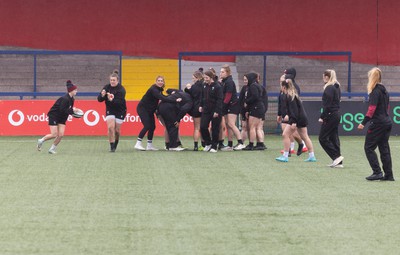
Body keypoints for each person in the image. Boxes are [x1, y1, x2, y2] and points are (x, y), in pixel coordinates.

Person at [357, 67, 394, 181]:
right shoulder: (385, 91)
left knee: (368, 147)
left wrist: (363, 123)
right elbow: (387, 108)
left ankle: (377, 172)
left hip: (378, 123)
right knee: (384, 148)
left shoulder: (375, 91)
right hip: (387, 122)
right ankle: (389, 175)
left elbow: (371, 109)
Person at [135, 76, 181, 151]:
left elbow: (163, 96)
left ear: (163, 82)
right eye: (158, 80)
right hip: (143, 109)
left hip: (150, 110)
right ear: (156, 82)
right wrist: (175, 100)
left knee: (152, 127)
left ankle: (149, 145)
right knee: (147, 126)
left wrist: (171, 95)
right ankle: (138, 143)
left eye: (161, 81)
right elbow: (162, 98)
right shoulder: (154, 89)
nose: (160, 82)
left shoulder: (159, 89)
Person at [276, 79, 316, 162]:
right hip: (301, 118)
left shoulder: (289, 96)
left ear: (283, 87)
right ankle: (312, 156)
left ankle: (285, 156)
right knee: (305, 137)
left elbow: (294, 110)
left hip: (296, 119)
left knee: (285, 135)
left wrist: (293, 122)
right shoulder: (293, 94)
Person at [36, 80, 78, 154]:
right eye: (75, 90)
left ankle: (51, 149)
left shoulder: (72, 99)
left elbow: (68, 110)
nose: (76, 91)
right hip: (54, 115)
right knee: (54, 134)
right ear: (71, 91)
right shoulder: (65, 98)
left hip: (62, 118)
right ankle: (41, 140)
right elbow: (63, 110)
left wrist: (74, 112)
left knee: (61, 135)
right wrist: (72, 110)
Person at [278, 68, 307, 156]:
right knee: (287, 132)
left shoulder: (293, 88)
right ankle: (292, 148)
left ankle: (295, 147)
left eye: (285, 75)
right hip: (287, 114)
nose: (283, 77)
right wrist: (279, 114)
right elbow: (281, 102)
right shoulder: (283, 89)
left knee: (291, 132)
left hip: (291, 115)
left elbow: (293, 104)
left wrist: (288, 114)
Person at [318, 69, 343, 167]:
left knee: (322, 138)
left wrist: (322, 116)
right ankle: (338, 162)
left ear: (327, 77)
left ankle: (336, 157)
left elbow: (327, 105)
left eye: (324, 76)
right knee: (334, 138)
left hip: (330, 115)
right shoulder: (337, 87)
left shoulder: (329, 88)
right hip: (336, 114)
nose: (323, 79)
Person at [97, 70, 127, 152]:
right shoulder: (106, 87)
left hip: (120, 110)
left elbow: (119, 102)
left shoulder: (121, 90)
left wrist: (111, 100)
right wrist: (102, 95)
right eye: (111, 80)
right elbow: (99, 99)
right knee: (110, 127)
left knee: (117, 131)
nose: (112, 82)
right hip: (110, 109)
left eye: (114, 80)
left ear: (117, 80)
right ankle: (112, 146)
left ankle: (116, 142)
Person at [219, 64, 245, 151]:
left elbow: (228, 96)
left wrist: (223, 105)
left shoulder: (229, 82)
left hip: (232, 105)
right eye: (220, 72)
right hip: (227, 106)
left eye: (222, 72)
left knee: (231, 124)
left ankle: (241, 142)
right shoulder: (224, 82)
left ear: (227, 73)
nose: (220, 73)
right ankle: (230, 144)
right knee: (228, 125)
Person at [199, 70, 223, 152]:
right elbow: (202, 97)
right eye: (204, 77)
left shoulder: (217, 86)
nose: (205, 79)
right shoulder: (204, 85)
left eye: (207, 77)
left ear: (211, 77)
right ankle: (208, 143)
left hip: (215, 110)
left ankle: (214, 146)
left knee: (215, 128)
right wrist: (201, 105)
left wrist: (217, 111)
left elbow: (220, 100)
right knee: (203, 127)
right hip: (206, 110)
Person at [243, 72, 265, 151]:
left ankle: (251, 144)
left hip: (256, 108)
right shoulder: (257, 85)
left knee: (252, 127)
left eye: (246, 79)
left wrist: (247, 101)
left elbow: (255, 96)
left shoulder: (252, 86)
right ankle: (260, 143)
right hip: (258, 108)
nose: (245, 81)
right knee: (258, 127)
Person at [185, 70, 204, 151]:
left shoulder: (194, 87)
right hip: (203, 107)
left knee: (196, 128)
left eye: (193, 78)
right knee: (204, 127)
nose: (193, 80)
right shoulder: (204, 85)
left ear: (197, 78)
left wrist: (187, 88)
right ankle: (204, 144)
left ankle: (196, 146)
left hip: (195, 108)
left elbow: (188, 92)